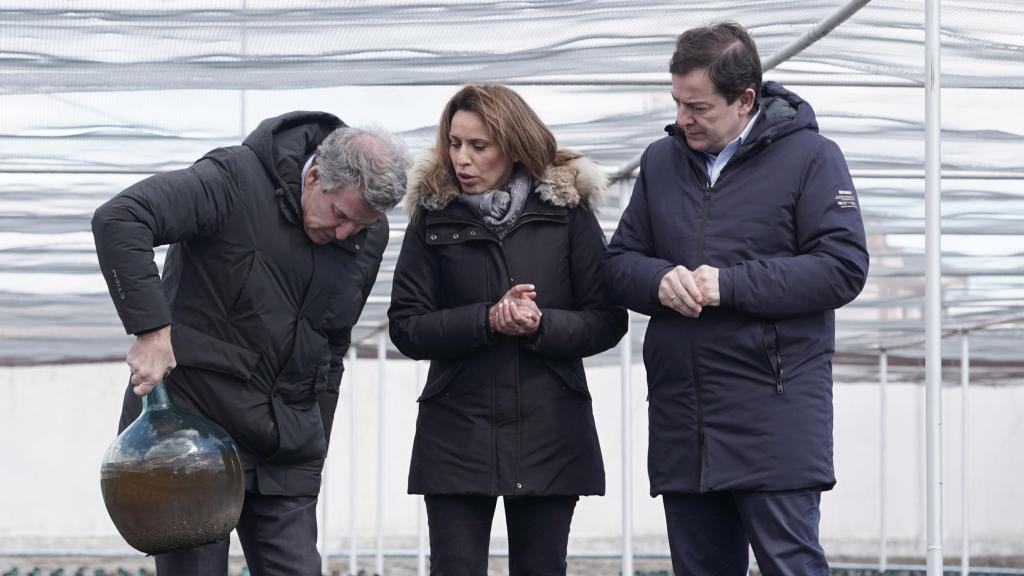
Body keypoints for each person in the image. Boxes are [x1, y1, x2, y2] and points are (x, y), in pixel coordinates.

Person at [92, 111, 410, 575]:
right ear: (315, 176)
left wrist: (312, 447)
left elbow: (330, 346)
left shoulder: (367, 231)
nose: (345, 235)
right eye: (340, 215)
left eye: (358, 228)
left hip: (286, 445)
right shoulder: (233, 179)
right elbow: (120, 219)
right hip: (194, 441)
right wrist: (153, 330)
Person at [603, 22, 869, 576]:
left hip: (773, 419)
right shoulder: (661, 162)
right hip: (684, 421)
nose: (682, 119)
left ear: (745, 99)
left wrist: (728, 285)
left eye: (698, 107)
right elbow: (619, 263)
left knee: (790, 565)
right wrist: (658, 282)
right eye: (678, 102)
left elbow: (842, 268)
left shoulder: (813, 158)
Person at [388, 85, 627, 576]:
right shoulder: (432, 218)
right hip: (457, 429)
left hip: (551, 428)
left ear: (513, 145)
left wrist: (542, 324)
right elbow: (406, 326)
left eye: (479, 146)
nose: (461, 159)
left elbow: (607, 319)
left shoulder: (567, 213)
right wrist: (486, 319)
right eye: (455, 143)